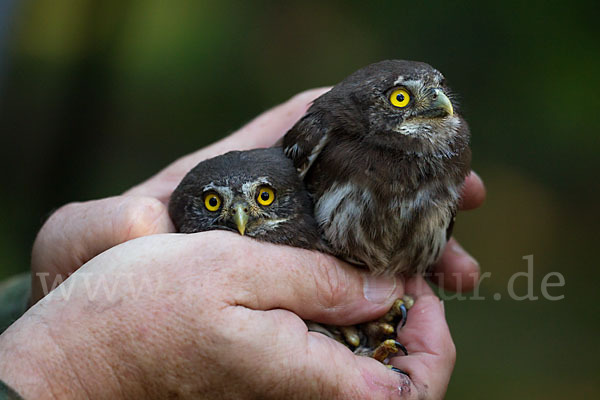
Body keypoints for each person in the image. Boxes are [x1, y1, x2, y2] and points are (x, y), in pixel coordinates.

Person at [0, 88, 485, 399]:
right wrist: (72, 366)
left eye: (267, 197)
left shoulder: (323, 226)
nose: (240, 218)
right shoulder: (157, 249)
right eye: (213, 206)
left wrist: (42, 306)